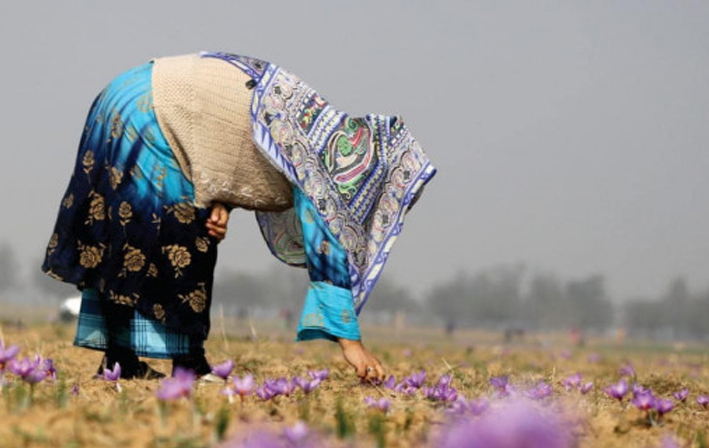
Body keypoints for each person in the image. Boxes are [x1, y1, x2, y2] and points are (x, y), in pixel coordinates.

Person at [42, 52, 435, 381]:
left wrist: (222, 199)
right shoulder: (328, 165)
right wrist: (352, 346)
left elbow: (236, 134)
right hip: (155, 111)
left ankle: (119, 360)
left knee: (126, 234)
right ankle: (188, 365)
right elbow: (325, 252)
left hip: (127, 93)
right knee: (182, 236)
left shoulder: (319, 125)